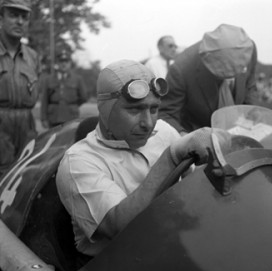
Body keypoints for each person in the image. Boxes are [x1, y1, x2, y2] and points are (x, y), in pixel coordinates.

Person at [56, 59, 217, 256]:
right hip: (112, 268)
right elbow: (121, 228)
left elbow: (191, 185)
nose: (148, 123)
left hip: (170, 246)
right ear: (105, 109)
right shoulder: (79, 162)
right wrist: (170, 157)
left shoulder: (164, 131)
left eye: (154, 109)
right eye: (134, 110)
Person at [159, 24, 258, 134]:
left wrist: (250, 114)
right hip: (197, 134)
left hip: (237, 132)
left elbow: (250, 85)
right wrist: (186, 138)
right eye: (223, 73)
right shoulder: (181, 69)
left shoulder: (249, 49)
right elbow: (166, 114)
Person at [0, 0, 39, 171]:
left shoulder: (33, 57)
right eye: (13, 15)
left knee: (26, 176)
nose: (20, 21)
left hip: (27, 129)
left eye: (24, 17)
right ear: (1, 18)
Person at [40, 49, 87, 128]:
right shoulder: (48, 79)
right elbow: (44, 100)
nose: (64, 64)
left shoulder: (78, 79)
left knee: (71, 139)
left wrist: (72, 105)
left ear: (70, 63)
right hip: (54, 117)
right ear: (57, 63)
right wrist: (43, 118)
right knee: (53, 139)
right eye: (61, 61)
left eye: (66, 61)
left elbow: (84, 97)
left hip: (71, 117)